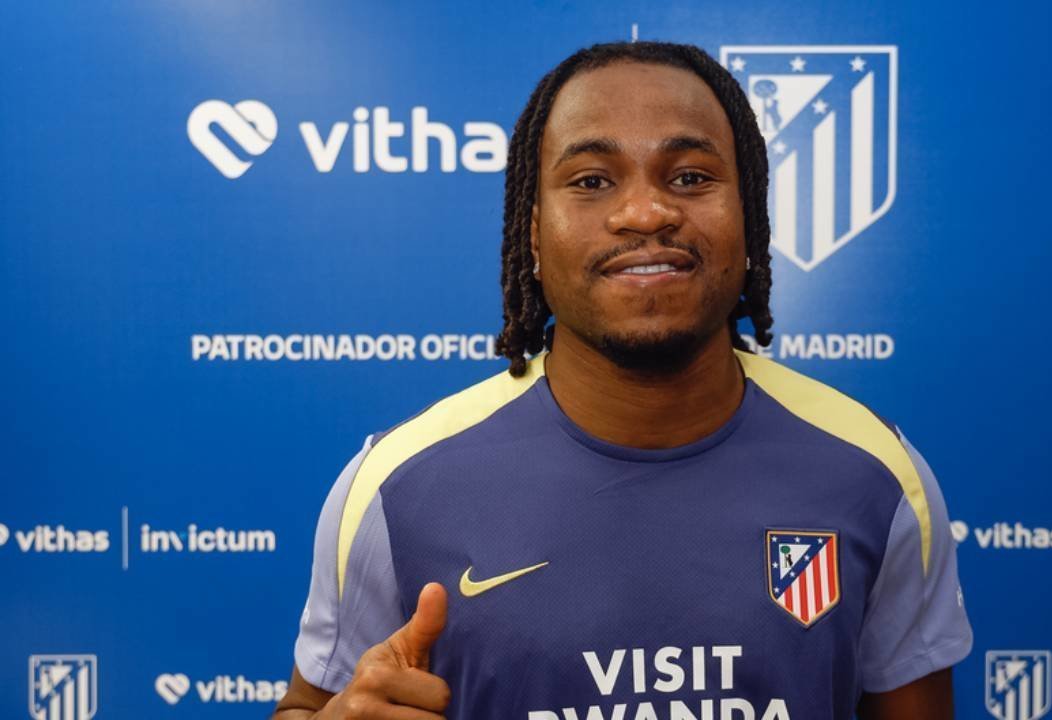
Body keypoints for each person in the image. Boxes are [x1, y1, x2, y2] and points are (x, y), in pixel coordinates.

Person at [272, 40, 972, 720]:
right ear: (534, 233)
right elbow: (305, 707)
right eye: (591, 181)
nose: (644, 213)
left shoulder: (874, 474)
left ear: (751, 216)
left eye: (690, 177)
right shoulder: (398, 486)